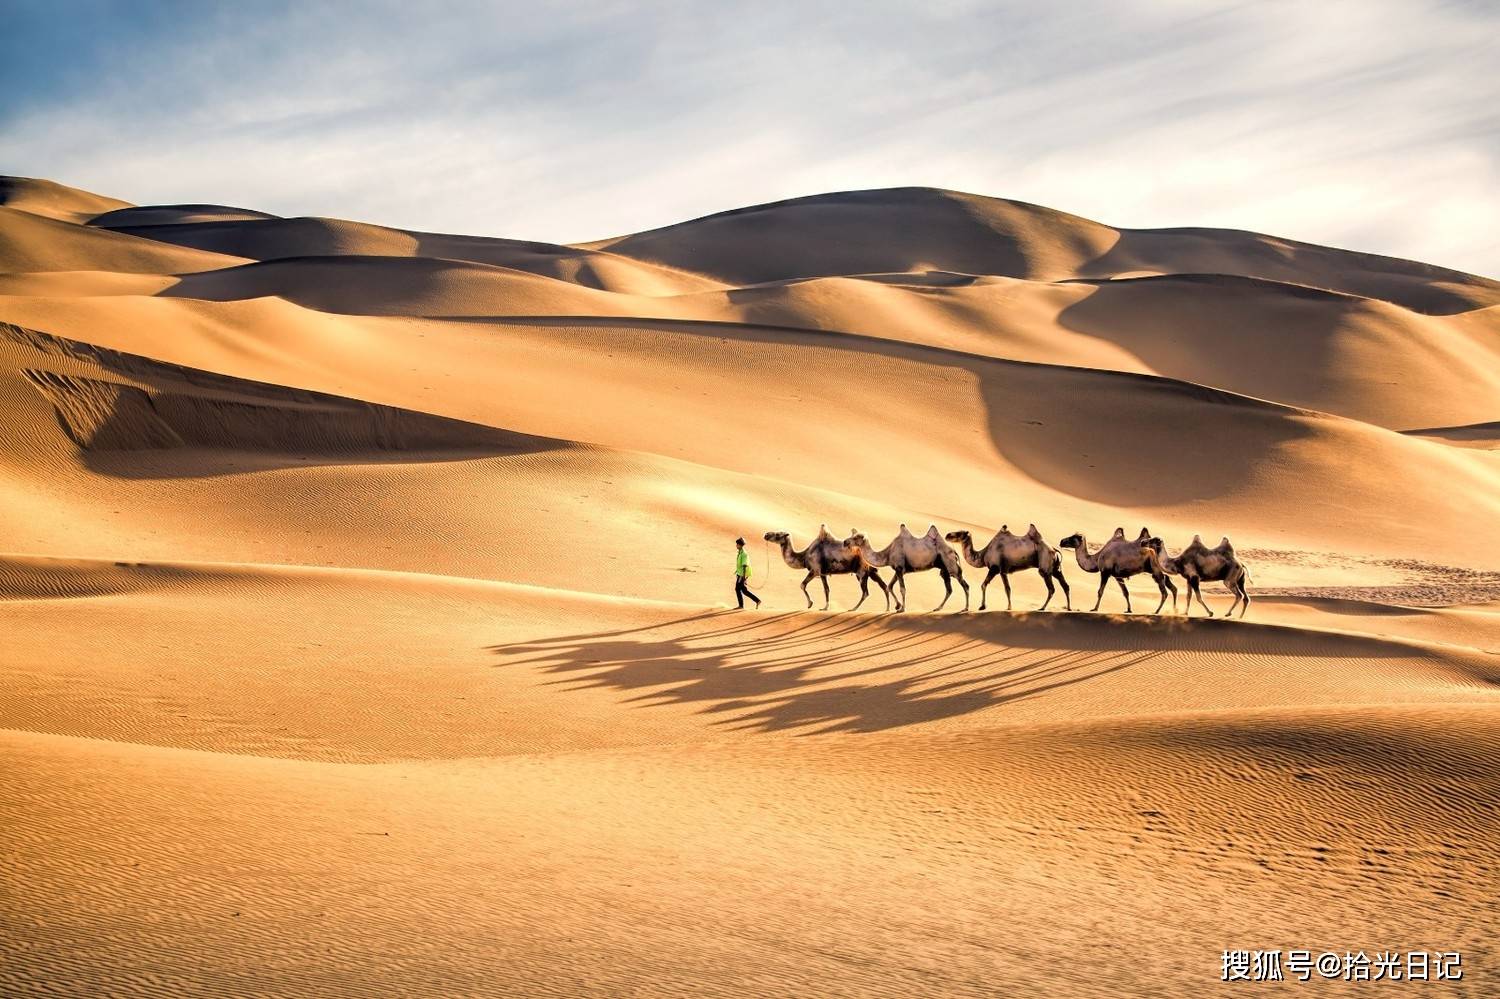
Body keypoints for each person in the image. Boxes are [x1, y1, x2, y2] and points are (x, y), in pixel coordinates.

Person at [733, 537, 761, 609]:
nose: (736, 545)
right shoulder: (740, 553)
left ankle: (741, 606)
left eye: (737, 544)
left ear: (740, 545)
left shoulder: (744, 554)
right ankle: (757, 601)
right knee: (744, 591)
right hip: (740, 574)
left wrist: (744, 578)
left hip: (742, 574)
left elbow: (745, 566)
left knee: (737, 589)